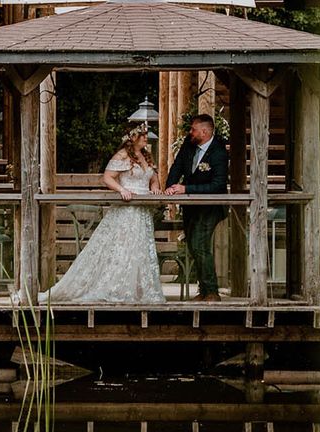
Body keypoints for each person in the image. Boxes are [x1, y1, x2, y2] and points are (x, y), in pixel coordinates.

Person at [38, 122, 164, 304]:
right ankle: (117, 287)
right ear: (133, 137)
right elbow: (107, 177)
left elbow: (153, 178)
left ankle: (138, 290)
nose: (146, 137)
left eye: (146, 134)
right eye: (143, 134)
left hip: (143, 210)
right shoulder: (122, 155)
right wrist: (122, 190)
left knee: (140, 249)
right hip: (127, 209)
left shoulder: (146, 156)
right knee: (123, 248)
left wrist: (155, 188)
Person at [164, 113, 229, 302]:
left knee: (200, 244)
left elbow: (218, 185)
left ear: (205, 131)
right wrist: (170, 187)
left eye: (193, 129)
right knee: (193, 246)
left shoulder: (218, 152)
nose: (190, 132)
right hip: (191, 206)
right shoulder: (188, 144)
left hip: (211, 206)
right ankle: (204, 289)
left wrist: (186, 188)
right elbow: (177, 167)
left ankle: (212, 292)